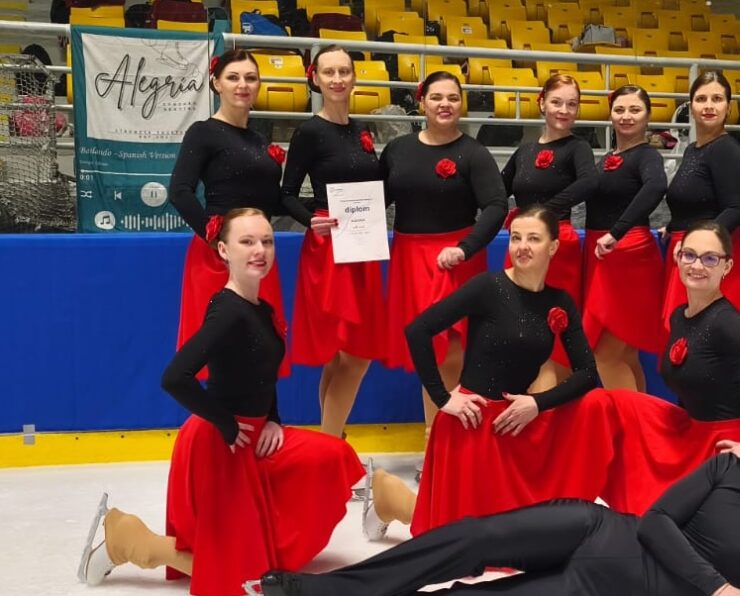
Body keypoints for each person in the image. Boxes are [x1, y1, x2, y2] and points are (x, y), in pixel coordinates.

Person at [246, 400, 740, 596]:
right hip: (595, 530)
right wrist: (717, 588)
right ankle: (321, 595)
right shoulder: (727, 470)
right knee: (471, 538)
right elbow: (657, 524)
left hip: (606, 595)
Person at [78, 209, 365, 596]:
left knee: (332, 455)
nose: (260, 250)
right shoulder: (227, 310)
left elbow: (264, 373)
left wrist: (273, 419)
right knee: (242, 576)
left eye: (267, 241)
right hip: (220, 443)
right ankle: (131, 542)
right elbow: (175, 377)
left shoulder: (261, 308)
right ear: (223, 250)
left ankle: (248, 545)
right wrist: (227, 425)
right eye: (247, 242)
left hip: (254, 433)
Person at [366, 207, 614, 539]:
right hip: (471, 426)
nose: (522, 246)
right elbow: (418, 330)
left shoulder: (560, 302)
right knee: (459, 540)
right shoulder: (488, 287)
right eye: (516, 238)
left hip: (515, 426)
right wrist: (443, 399)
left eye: (533, 239)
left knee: (508, 540)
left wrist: (537, 403)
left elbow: (587, 373)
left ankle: (389, 496)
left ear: (553, 246)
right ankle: (387, 499)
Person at [601, 221, 740, 514]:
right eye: (690, 255)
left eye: (710, 258)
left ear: (727, 266)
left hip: (724, 445)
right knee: (606, 404)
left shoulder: (726, 322)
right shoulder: (680, 316)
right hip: (693, 434)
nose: (697, 266)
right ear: (678, 257)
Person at [379, 70, 507, 438]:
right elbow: (373, 201)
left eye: (452, 97)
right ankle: (434, 435)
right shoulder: (397, 150)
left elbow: (496, 206)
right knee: (427, 346)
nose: (445, 104)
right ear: (422, 102)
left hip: (455, 260)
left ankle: (443, 437)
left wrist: (465, 248)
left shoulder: (474, 153)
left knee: (451, 347)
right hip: (410, 257)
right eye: (436, 97)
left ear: (461, 103)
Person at [281, 45, 386, 438]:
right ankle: (330, 446)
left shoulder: (361, 129)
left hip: (363, 246)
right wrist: (311, 220)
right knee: (354, 356)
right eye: (329, 72)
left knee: (343, 358)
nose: (338, 79)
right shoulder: (310, 132)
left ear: (355, 77)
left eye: (344, 71)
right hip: (330, 249)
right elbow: (287, 193)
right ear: (315, 78)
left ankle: (330, 442)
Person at [169, 49, 289, 379]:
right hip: (217, 256)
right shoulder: (203, 132)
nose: (242, 84)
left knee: (261, 350)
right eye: (233, 77)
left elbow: (273, 201)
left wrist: (322, 210)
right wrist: (216, 239)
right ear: (216, 83)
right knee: (221, 354)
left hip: (258, 255)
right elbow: (179, 191)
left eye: (250, 78)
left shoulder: (259, 139)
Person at [501, 73, 598, 390]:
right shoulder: (525, 150)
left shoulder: (578, 147)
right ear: (542, 103)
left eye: (572, 104)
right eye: (557, 102)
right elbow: (497, 189)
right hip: (522, 244)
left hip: (557, 245)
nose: (564, 110)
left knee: (553, 330)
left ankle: (556, 406)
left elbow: (589, 182)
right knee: (520, 327)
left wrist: (542, 216)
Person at [583, 85, 667, 391]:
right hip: (603, 252)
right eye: (619, 110)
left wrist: (616, 232)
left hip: (627, 253)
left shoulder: (647, 155)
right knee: (624, 352)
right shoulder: (608, 157)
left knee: (605, 355)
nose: (626, 116)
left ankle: (626, 419)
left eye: (635, 110)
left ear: (648, 115)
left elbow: (656, 187)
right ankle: (637, 417)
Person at [663, 72, 740, 331]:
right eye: (701, 99)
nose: (708, 106)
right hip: (692, 256)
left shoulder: (726, 150)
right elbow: (694, 201)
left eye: (717, 99)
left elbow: (738, 206)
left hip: (713, 262)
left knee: (707, 345)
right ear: (691, 106)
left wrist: (696, 242)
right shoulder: (693, 149)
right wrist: (673, 226)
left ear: (729, 107)